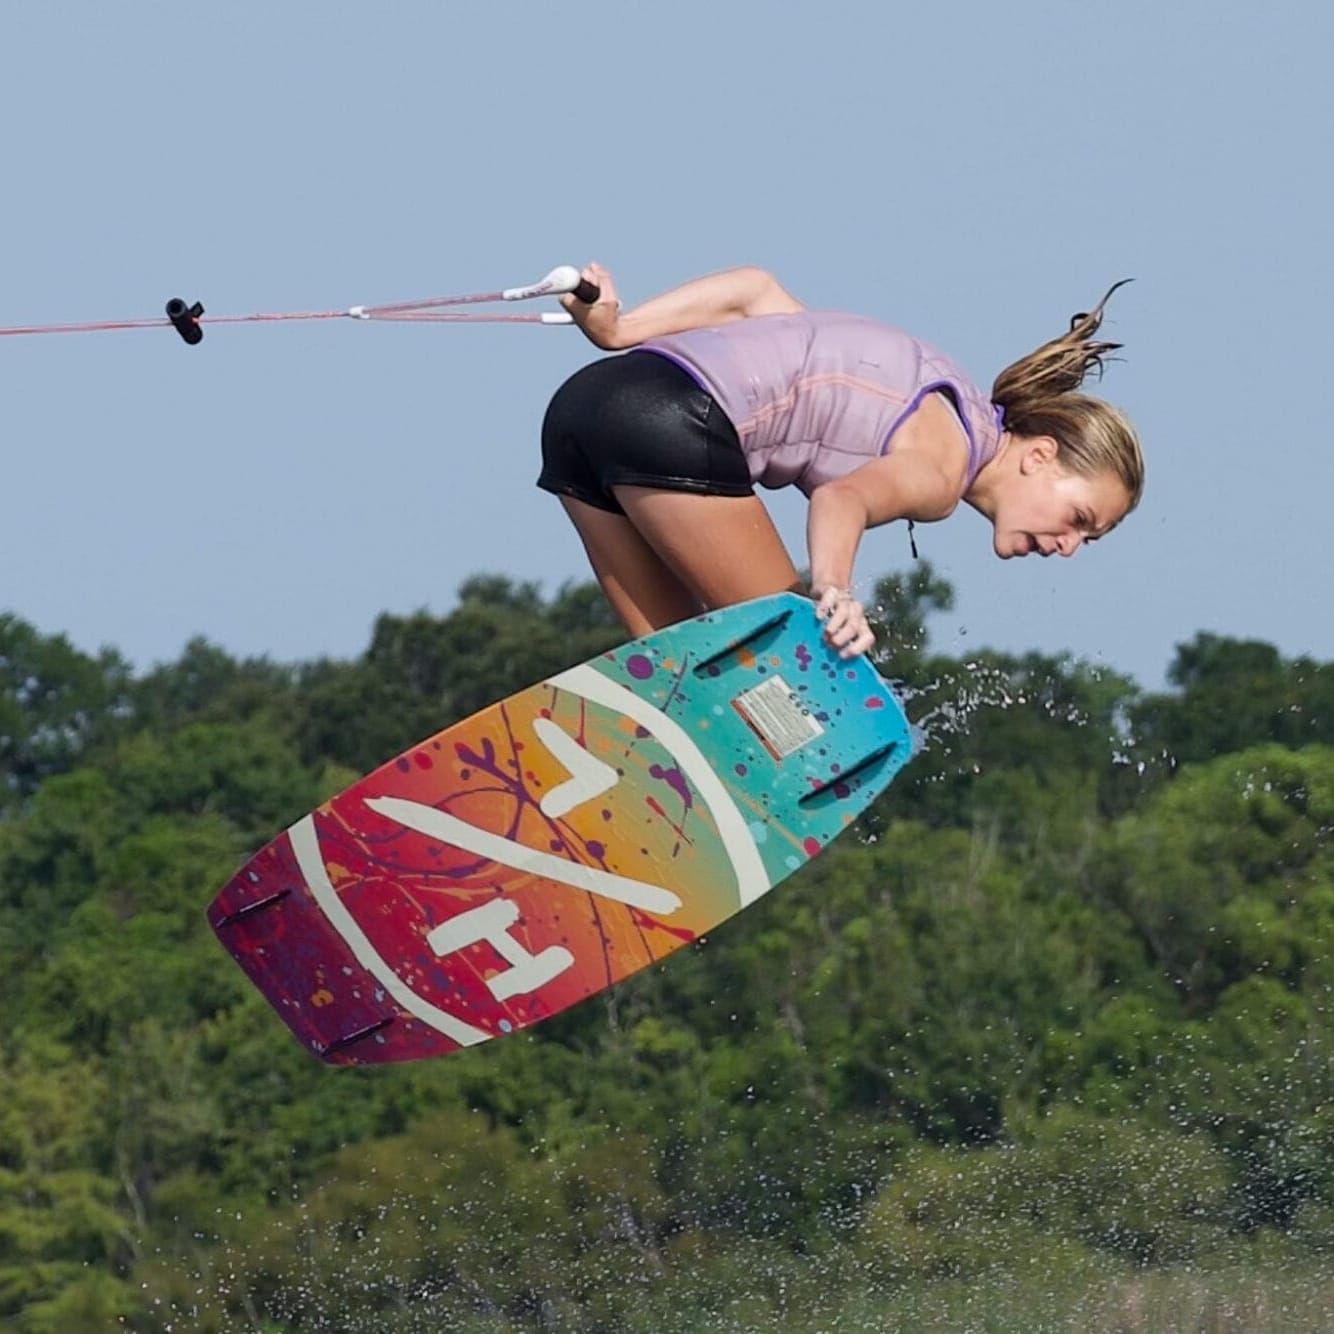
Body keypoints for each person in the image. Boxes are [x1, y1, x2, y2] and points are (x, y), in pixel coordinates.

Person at [538, 263, 1142, 659]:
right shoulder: (943, 465)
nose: (1069, 545)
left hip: (583, 406)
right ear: (1040, 455)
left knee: (687, 672)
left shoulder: (938, 385)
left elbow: (756, 292)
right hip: (675, 421)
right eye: (1082, 519)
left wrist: (623, 330)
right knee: (801, 670)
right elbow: (840, 498)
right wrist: (833, 592)